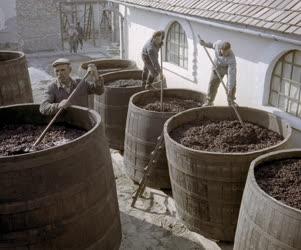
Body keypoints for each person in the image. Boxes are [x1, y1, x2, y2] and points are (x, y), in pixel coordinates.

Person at [40, 58, 104, 116]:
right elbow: (43, 107)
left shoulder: (81, 83)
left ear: (70, 70)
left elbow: (99, 91)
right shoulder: (52, 88)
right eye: (57, 71)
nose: (59, 73)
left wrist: (96, 76)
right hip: (66, 124)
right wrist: (58, 105)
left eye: (63, 70)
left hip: (83, 122)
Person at [199, 38, 237, 106]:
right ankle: (209, 101)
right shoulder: (218, 44)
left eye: (228, 52)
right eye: (224, 53)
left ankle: (231, 102)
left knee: (232, 85)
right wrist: (204, 44)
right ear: (220, 49)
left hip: (227, 68)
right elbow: (211, 45)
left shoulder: (232, 58)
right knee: (212, 83)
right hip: (217, 67)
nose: (226, 54)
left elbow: (231, 75)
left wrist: (229, 89)